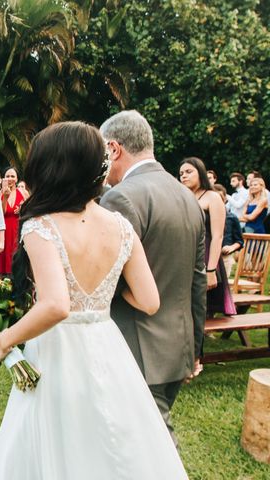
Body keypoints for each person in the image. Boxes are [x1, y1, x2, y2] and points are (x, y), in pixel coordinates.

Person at [0, 121, 186, 479]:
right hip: (107, 343)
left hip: (58, 350)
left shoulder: (41, 227)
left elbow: (56, 305)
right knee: (113, 440)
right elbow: (149, 300)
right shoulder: (121, 226)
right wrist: (102, 289)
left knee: (58, 439)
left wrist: (4, 340)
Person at [99, 110, 206, 446]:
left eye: (103, 153)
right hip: (178, 345)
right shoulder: (188, 197)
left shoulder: (121, 197)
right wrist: (195, 347)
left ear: (114, 149)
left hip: (138, 347)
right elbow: (197, 281)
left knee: (154, 445)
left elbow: (107, 281)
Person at [179, 158, 236, 317]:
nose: (184, 176)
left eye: (189, 172)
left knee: (202, 306)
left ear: (201, 173)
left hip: (207, 254)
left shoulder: (212, 197)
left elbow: (218, 236)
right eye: (181, 173)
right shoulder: (184, 197)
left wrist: (211, 270)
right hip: (185, 255)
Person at [0, 167, 26, 276]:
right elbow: (1, 213)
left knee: (16, 257)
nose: (10, 178)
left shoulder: (23, 192)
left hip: (16, 229)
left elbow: (30, 209)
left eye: (12, 176)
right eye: (7, 176)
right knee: (3, 261)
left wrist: (22, 209)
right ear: (3, 179)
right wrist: (5, 198)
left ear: (17, 179)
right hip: (3, 230)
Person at [214, 184, 243, 276]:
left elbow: (239, 241)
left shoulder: (232, 217)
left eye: (220, 198)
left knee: (222, 285)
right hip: (206, 255)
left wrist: (231, 247)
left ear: (225, 200)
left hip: (224, 257)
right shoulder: (203, 217)